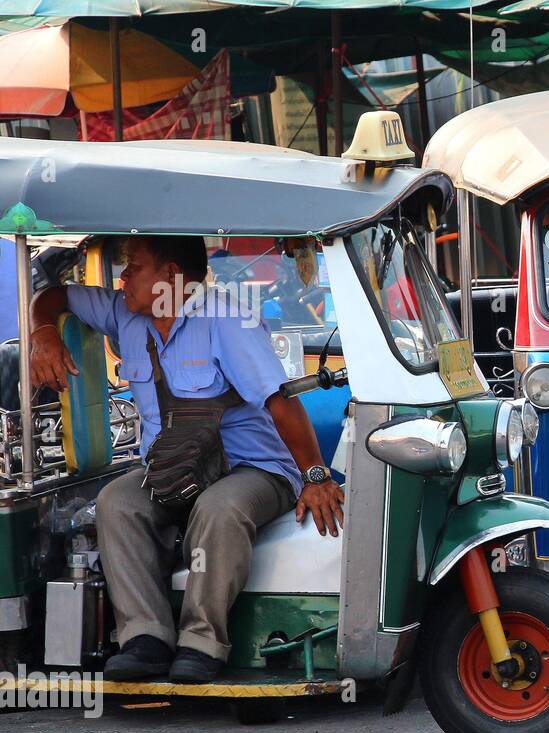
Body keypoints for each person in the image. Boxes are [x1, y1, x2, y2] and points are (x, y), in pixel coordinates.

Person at [29, 236, 345, 683]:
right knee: (117, 502)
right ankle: (146, 637)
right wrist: (43, 332)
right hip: (169, 470)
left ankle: (202, 641)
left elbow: (281, 403)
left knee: (219, 506)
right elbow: (53, 295)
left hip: (252, 470)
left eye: (133, 267)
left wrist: (316, 476)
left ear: (171, 276)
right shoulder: (126, 312)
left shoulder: (228, 320)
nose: (123, 278)